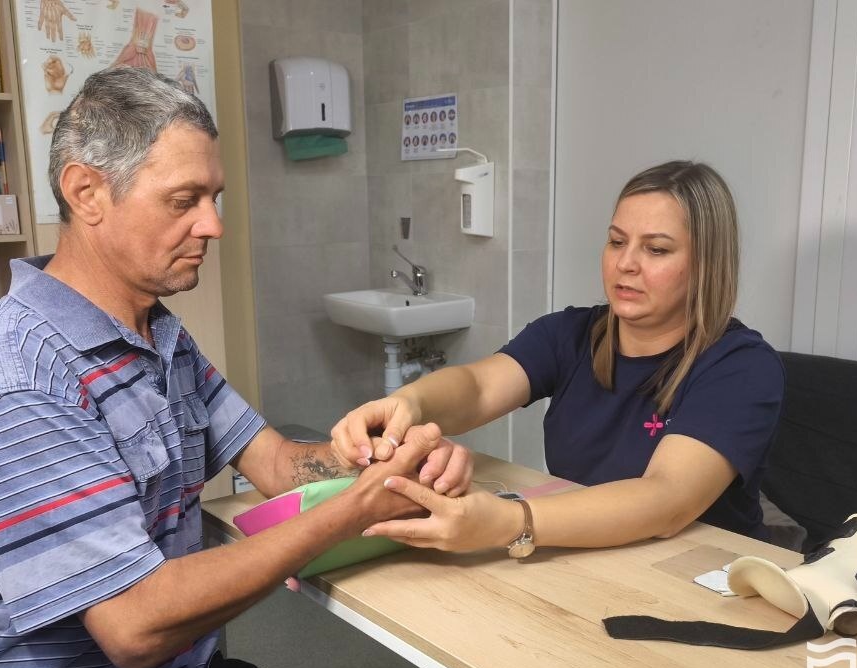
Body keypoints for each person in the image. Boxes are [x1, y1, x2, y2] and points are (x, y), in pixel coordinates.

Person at [0, 66, 470, 668]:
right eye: (184, 201)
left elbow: (277, 463)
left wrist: (384, 460)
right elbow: (133, 625)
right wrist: (351, 511)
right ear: (86, 192)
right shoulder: (17, 372)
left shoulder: (158, 334)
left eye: (214, 198)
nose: (213, 226)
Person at [333, 159, 784, 553]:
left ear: (706, 264)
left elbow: (666, 499)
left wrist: (511, 523)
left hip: (700, 571)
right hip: (591, 554)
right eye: (616, 241)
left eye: (656, 249)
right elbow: (478, 387)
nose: (625, 263)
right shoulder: (568, 334)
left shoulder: (741, 366)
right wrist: (409, 404)